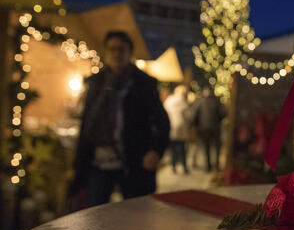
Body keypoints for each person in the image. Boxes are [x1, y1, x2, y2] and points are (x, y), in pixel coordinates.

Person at [72, 31, 170, 207]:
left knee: (134, 217)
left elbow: (162, 122)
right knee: (95, 216)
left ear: (129, 53)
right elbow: (87, 123)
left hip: (133, 162)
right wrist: (78, 165)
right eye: (112, 49)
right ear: (106, 53)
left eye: (121, 49)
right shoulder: (96, 83)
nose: (116, 54)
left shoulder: (144, 84)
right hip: (98, 163)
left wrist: (155, 151)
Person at [193, 87, 225, 172]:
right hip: (213, 128)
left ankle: (209, 166)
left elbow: (195, 115)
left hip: (205, 128)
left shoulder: (200, 101)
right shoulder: (217, 102)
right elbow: (223, 114)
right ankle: (215, 166)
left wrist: (196, 126)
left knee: (207, 148)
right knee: (215, 148)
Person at [163, 85, 190, 174]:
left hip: (171, 126)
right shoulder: (183, 101)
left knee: (173, 148)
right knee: (182, 148)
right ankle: (184, 167)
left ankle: (173, 166)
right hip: (181, 127)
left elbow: (164, 112)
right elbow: (188, 115)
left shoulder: (169, 100)